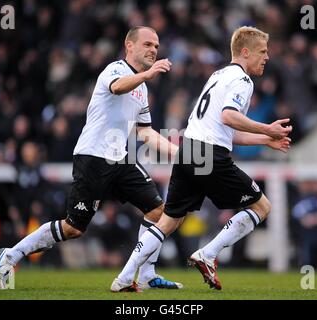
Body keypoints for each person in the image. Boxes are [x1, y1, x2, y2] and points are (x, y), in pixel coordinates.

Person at [0, 26, 182, 291]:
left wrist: (179, 153)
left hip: (121, 158)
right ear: (129, 45)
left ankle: (147, 273)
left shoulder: (142, 89)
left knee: (158, 211)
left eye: (157, 46)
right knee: (73, 228)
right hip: (93, 156)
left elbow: (145, 132)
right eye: (148, 44)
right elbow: (117, 88)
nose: (153, 50)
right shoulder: (115, 70)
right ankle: (11, 255)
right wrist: (149, 74)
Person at [111, 26, 292, 291]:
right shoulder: (243, 81)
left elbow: (228, 130)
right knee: (261, 207)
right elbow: (228, 117)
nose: (266, 57)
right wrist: (267, 128)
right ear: (245, 52)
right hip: (209, 154)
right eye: (262, 51)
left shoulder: (218, 75)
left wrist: (266, 140)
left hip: (190, 151)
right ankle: (207, 254)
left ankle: (124, 278)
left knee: (169, 221)